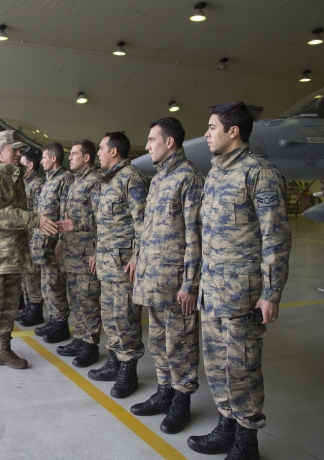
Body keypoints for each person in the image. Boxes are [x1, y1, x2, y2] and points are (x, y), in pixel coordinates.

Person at [187, 102, 291, 459]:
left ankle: (247, 442)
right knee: (216, 365)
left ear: (234, 132)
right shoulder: (215, 174)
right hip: (212, 292)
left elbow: (276, 237)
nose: (206, 133)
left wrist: (271, 292)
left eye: (212, 127)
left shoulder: (260, 173)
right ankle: (226, 426)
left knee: (243, 367)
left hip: (243, 295)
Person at [130, 118, 204, 434]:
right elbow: (148, 230)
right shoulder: (161, 179)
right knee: (159, 340)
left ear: (169, 142)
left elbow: (194, 235)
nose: (147, 146)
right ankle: (164, 391)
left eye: (151, 140)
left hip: (176, 284)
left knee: (181, 343)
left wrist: (190, 284)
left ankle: (182, 401)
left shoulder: (189, 179)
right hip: (154, 281)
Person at [0, 130, 57, 369]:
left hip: (14, 252)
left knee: (10, 306)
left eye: (20, 149)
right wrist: (35, 220)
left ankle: (2, 348)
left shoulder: (16, 177)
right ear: (0, 152)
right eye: (14, 149)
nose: (19, 153)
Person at [82, 131, 148, 399]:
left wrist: (136, 257)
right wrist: (97, 252)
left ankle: (128, 371)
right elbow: (104, 225)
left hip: (123, 265)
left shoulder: (131, 178)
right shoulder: (106, 181)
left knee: (125, 317)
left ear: (114, 151)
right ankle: (114, 360)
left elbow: (143, 222)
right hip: (107, 263)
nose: (97, 152)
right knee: (109, 315)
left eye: (100, 148)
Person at [55, 140, 103, 368]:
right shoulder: (75, 182)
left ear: (87, 158)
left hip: (86, 253)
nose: (69, 158)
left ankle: (91, 345)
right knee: (75, 299)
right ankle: (80, 338)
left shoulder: (96, 182)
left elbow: (102, 220)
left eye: (74, 154)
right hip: (71, 251)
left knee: (88, 301)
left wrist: (96, 251)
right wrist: (61, 241)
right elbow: (67, 219)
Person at [31, 142, 74, 343]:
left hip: (54, 242)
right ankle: (54, 320)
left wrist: (62, 241)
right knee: (46, 285)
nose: (41, 161)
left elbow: (66, 213)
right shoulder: (50, 180)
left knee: (55, 285)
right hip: (43, 242)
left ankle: (61, 324)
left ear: (53, 158)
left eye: (44, 157)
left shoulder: (65, 179)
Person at [17, 148, 46, 326]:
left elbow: (38, 215)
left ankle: (36, 310)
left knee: (34, 274)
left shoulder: (38, 184)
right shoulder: (24, 183)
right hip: (24, 236)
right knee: (26, 274)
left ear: (30, 165)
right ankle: (28, 306)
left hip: (34, 236)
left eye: (22, 164)